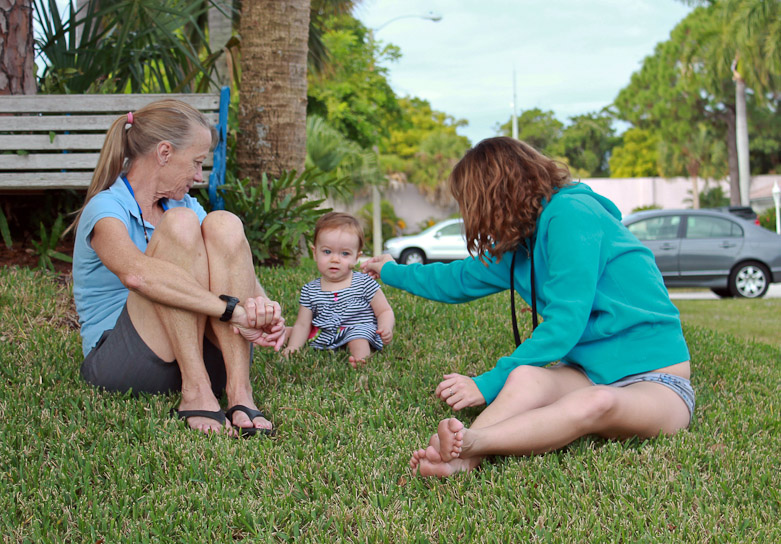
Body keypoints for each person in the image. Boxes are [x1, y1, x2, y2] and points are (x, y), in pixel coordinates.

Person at [362, 137, 693, 477]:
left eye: (469, 202)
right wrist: (391, 270)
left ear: (494, 194)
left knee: (596, 402)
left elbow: (565, 323)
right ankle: (464, 458)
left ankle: (476, 443)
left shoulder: (572, 214)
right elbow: (456, 279)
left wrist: (486, 383)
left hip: (658, 381)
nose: (468, 214)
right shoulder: (520, 243)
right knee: (523, 376)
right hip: (587, 374)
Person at [70, 99, 286, 437]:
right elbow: (136, 274)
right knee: (182, 224)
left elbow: (234, 265)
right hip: (128, 362)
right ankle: (195, 391)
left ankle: (239, 391)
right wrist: (232, 311)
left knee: (224, 224)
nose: (199, 177)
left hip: (205, 354)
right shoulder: (105, 208)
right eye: (197, 163)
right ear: (164, 152)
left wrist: (265, 308)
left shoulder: (183, 203)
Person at [283, 212, 395, 367]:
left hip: (359, 329)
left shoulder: (364, 283)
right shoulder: (310, 290)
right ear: (315, 253)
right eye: (327, 252)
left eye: (345, 253)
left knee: (357, 336)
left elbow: (384, 311)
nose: (335, 259)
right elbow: (302, 324)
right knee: (296, 331)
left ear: (357, 257)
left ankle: (361, 361)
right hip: (328, 332)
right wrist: (293, 348)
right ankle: (277, 339)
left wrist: (385, 327)